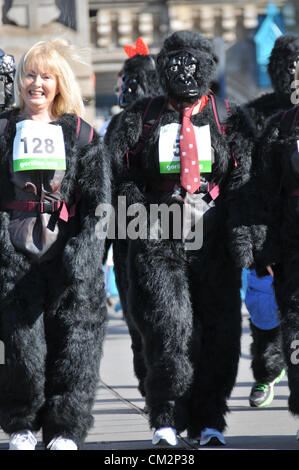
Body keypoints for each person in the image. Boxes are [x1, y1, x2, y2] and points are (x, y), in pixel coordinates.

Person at [105, 30, 252, 447]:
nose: (185, 72)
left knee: (219, 330)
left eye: (194, 63)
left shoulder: (230, 116)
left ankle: (210, 420)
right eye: (176, 63)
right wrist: (143, 209)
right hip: (156, 236)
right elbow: (115, 177)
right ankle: (166, 417)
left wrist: (245, 238)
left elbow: (246, 178)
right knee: (166, 329)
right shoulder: (137, 118)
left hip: (213, 238)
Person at [0, 39, 110, 450]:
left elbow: (99, 203)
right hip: (14, 252)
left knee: (73, 346)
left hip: (67, 254)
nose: (37, 83)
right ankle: (22, 423)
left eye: (46, 75)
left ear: (59, 83)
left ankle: (65, 429)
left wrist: (84, 252)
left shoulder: (82, 135)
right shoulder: (4, 129)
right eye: (30, 74)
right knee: (22, 346)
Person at [241, 35, 299, 407]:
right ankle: (267, 370)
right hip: (276, 229)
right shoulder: (258, 115)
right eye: (287, 64)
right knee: (264, 308)